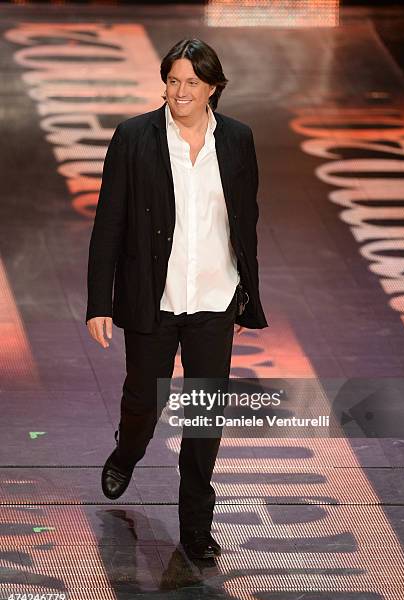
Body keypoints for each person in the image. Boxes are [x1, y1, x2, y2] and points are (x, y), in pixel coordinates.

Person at [86, 38, 268, 560]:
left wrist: (244, 297)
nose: (180, 91)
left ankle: (195, 527)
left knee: (204, 417)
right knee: (145, 401)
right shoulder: (134, 138)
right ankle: (128, 450)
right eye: (173, 81)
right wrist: (101, 300)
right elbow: (109, 225)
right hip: (153, 300)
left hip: (214, 297)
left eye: (192, 82)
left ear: (213, 87)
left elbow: (245, 222)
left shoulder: (237, 140)